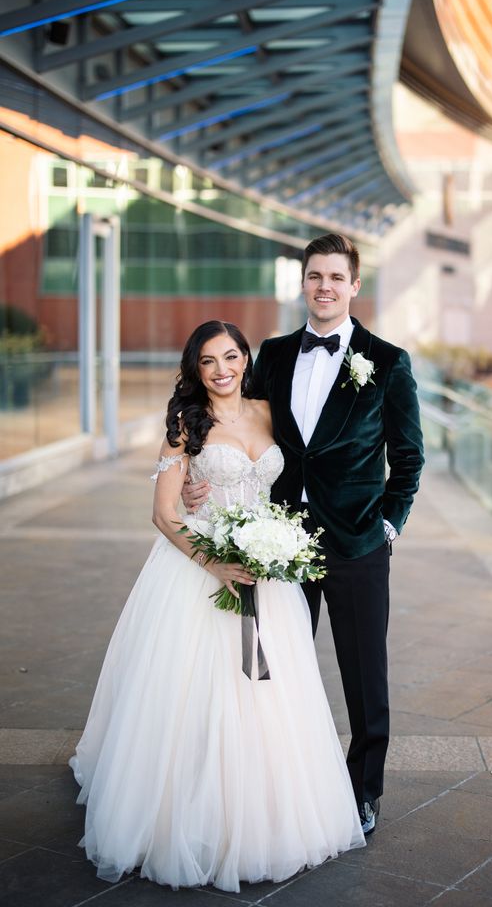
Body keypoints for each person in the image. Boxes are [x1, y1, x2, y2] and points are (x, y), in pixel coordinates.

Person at [69, 319, 365, 892]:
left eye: (231, 357)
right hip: (200, 571)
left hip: (267, 575)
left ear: (245, 360)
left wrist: (280, 545)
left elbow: (297, 476)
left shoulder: (268, 411)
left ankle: (264, 812)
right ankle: (191, 809)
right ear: (195, 369)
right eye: (209, 362)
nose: (222, 370)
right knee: (195, 694)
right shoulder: (187, 423)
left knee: (266, 697)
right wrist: (214, 561)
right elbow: (163, 513)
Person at [183, 234, 424, 836]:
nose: (324, 287)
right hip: (282, 540)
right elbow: (243, 429)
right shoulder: (275, 352)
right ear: (303, 283)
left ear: (354, 286)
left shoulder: (388, 361)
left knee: (365, 677)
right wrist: (195, 481)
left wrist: (389, 523)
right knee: (271, 667)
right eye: (315, 276)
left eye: (336, 277)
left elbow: (410, 457)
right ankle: (273, 785)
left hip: (359, 542)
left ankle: (363, 793)